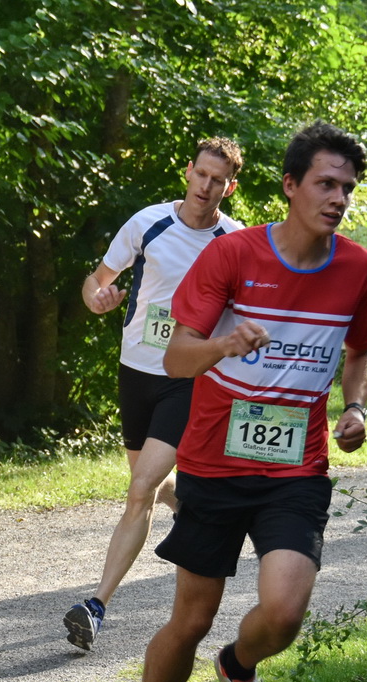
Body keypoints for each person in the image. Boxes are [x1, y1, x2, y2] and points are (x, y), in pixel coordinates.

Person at [115, 122, 367, 682]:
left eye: (347, 187)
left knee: (285, 613)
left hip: (295, 469)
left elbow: (360, 351)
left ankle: (238, 666)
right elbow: (177, 356)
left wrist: (356, 406)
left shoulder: (358, 269)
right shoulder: (232, 256)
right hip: (213, 457)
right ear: (290, 186)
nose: (338, 197)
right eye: (325, 183)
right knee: (191, 619)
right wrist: (224, 345)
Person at [63, 138, 245, 651]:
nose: (206, 187)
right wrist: (98, 300)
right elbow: (96, 282)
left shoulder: (234, 242)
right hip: (135, 371)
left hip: (187, 380)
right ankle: (189, 506)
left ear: (229, 188)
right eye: (201, 175)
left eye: (218, 181)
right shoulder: (147, 224)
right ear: (188, 172)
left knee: (140, 488)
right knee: (150, 486)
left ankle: (95, 605)